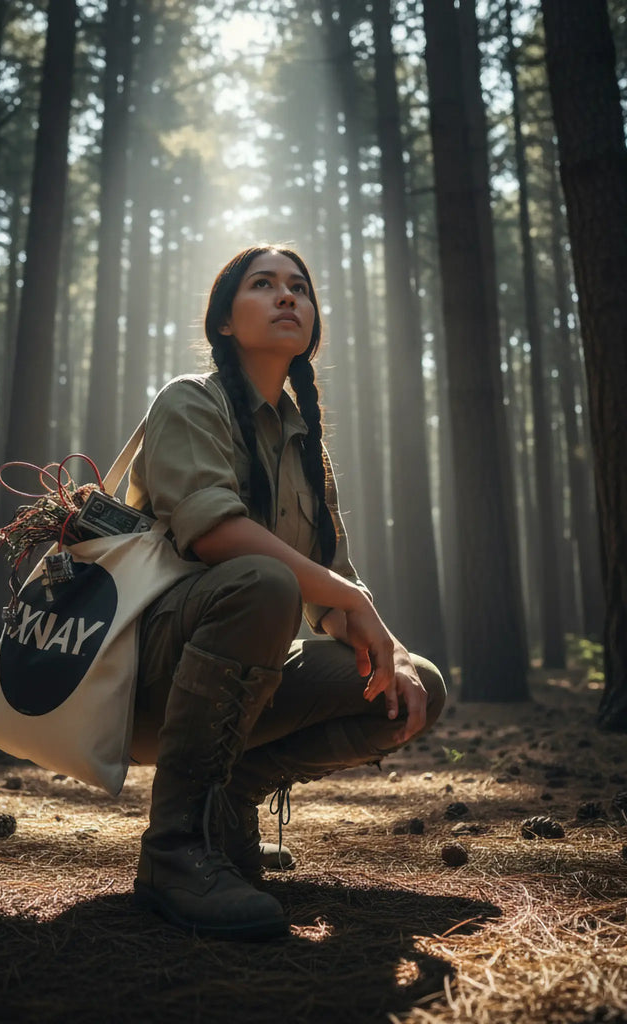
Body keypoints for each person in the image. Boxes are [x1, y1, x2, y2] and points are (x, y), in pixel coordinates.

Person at [125, 245, 446, 940]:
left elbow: (335, 585)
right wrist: (348, 601)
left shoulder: (306, 447)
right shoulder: (188, 401)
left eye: (299, 287)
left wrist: (390, 645)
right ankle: (175, 847)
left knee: (413, 688)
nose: (286, 297)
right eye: (263, 285)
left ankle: (229, 806)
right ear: (223, 323)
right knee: (263, 580)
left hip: (237, 684)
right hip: (145, 681)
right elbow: (218, 537)